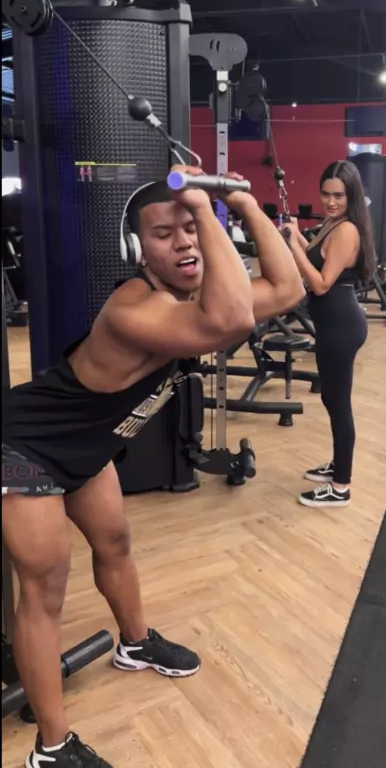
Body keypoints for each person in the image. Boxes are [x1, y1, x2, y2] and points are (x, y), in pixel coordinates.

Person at [2, 165, 304, 768]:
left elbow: (289, 287)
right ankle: (52, 750)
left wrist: (243, 205)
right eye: (165, 234)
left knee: (115, 543)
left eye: (192, 229)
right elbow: (230, 321)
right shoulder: (132, 310)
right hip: (25, 445)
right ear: (136, 249)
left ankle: (135, 645)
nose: (186, 242)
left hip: (87, 448)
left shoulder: (190, 299)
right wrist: (204, 203)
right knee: (46, 588)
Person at [281, 160, 376, 508]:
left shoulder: (347, 229)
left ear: (352, 196)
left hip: (341, 326)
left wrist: (292, 247)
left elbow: (320, 284)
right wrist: (296, 235)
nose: (331, 201)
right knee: (331, 399)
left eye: (339, 195)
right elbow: (315, 256)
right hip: (334, 324)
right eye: (326, 194)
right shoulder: (332, 224)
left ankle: (341, 486)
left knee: (338, 404)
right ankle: (339, 464)